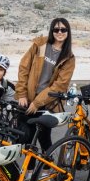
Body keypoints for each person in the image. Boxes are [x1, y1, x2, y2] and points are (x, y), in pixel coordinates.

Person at [15, 18, 76, 151]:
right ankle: (30, 171)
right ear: (52, 31)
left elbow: (60, 85)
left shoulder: (68, 58)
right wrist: (22, 94)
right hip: (27, 98)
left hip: (47, 102)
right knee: (26, 137)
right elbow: (24, 67)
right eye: (56, 29)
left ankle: (47, 169)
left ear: (68, 32)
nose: (59, 32)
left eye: (63, 29)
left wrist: (37, 103)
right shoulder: (40, 45)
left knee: (44, 137)